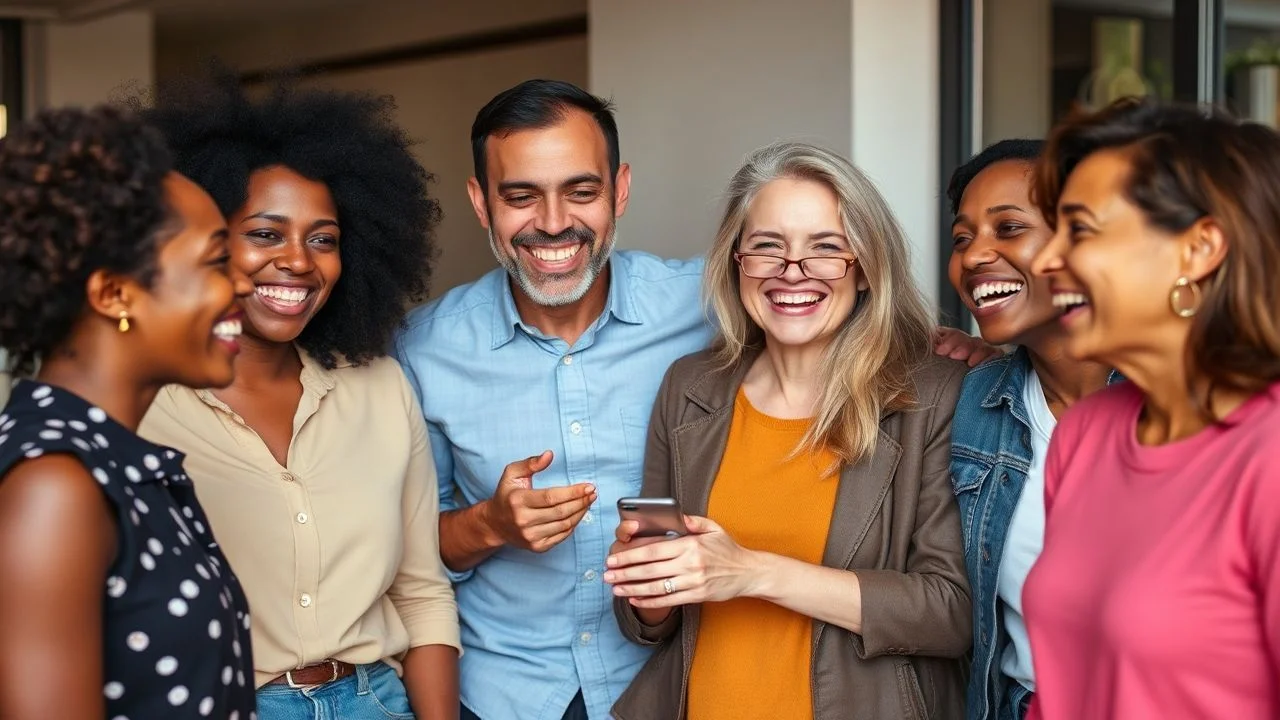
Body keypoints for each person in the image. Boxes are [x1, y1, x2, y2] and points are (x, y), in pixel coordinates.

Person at [394, 79, 994, 720]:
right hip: (512, 691)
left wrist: (963, 346)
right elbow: (406, 559)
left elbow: (952, 608)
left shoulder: (710, 312)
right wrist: (491, 525)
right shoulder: (425, 350)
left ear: (619, 191)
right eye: (520, 196)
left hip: (663, 685)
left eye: (581, 190)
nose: (553, 222)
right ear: (481, 203)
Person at [604, 141, 971, 719]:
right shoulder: (690, 387)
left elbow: (952, 613)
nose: (791, 273)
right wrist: (649, 583)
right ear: (736, 261)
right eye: (767, 248)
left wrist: (751, 571)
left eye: (825, 249)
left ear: (868, 267)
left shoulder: (935, 396)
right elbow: (648, 621)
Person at [134, 70, 461, 719]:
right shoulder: (145, 404)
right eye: (264, 234)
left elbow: (423, 594)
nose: (298, 261)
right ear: (200, 241)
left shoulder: (380, 387)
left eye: (323, 239)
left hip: (377, 699)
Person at [1023, 98, 1280, 719]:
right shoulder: (1085, 434)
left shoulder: (1269, 457)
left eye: (1080, 229)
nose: (1044, 259)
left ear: (1198, 249)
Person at [0, 105, 256, 719]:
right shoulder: (55, 484)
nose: (241, 284)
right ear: (115, 293)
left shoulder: (115, 464)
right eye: (216, 260)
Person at [945, 140, 1115, 720]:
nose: (973, 257)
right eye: (962, 238)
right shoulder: (972, 406)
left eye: (1009, 227)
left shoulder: (1192, 404)